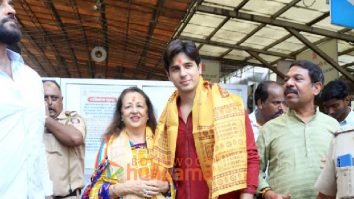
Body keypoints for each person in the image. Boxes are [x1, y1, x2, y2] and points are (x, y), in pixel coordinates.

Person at [152, 39, 259, 199]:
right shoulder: (168, 117)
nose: (183, 73)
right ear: (169, 75)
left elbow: (250, 155)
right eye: (176, 69)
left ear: (199, 68)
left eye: (188, 66)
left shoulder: (229, 105)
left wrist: (248, 194)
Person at [256, 60, 340, 199]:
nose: (288, 83)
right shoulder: (270, 128)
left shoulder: (333, 126)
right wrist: (267, 192)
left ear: (316, 88)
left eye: (298, 79)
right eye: (286, 79)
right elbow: (254, 170)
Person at [0, 1, 53, 198]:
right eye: (0, 5)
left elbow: (36, 145)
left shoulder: (31, 77)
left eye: (10, 4)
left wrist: (46, 192)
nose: (11, 10)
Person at [83, 87, 172, 199]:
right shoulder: (108, 145)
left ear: (148, 113)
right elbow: (94, 191)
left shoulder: (163, 145)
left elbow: (178, 185)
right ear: (121, 114)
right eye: (128, 106)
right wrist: (125, 188)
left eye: (139, 106)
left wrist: (166, 186)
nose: (134, 111)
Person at [43, 80, 86, 198]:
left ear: (62, 99)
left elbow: (75, 139)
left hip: (67, 196)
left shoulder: (72, 119)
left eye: (54, 98)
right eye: (44, 98)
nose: (49, 103)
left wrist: (46, 119)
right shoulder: (31, 121)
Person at [315, 81, 354, 199]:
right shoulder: (322, 125)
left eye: (335, 106)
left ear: (347, 100)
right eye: (326, 107)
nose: (330, 112)